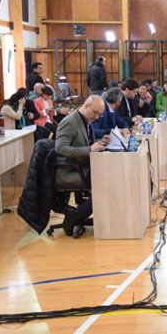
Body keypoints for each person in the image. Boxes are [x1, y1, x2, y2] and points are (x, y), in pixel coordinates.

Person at [55, 96, 109, 235]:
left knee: (110, 178)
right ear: (86, 106)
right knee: (105, 185)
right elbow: (60, 148)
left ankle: (78, 215)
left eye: (99, 114)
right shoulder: (70, 122)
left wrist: (100, 142)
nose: (97, 117)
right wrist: (90, 149)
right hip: (71, 169)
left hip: (83, 166)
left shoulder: (84, 120)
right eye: (95, 112)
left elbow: (84, 143)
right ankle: (75, 217)